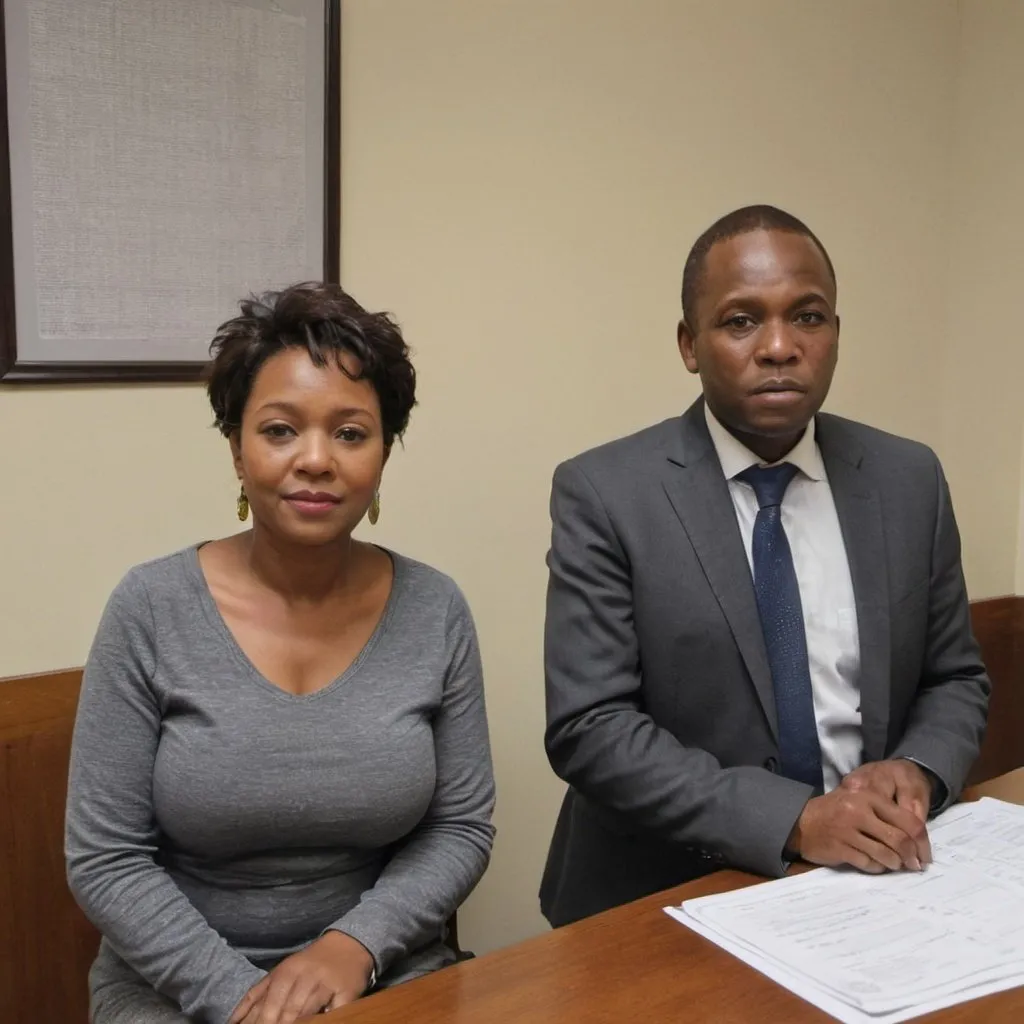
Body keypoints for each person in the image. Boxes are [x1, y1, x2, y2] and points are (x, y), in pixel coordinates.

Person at [539, 205, 990, 926]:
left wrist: (918, 769)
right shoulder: (606, 492)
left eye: (807, 318)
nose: (779, 346)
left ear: (837, 335)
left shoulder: (908, 479)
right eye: (741, 321)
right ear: (690, 344)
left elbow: (955, 677)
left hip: (879, 885)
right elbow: (592, 727)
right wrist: (795, 819)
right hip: (667, 894)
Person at [66, 283, 496, 1024]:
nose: (317, 460)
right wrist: (244, 1001)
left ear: (385, 452)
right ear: (236, 448)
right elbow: (105, 859)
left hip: (382, 971)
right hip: (175, 990)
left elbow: (460, 827)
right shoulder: (149, 609)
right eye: (280, 430)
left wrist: (352, 947)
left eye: (352, 433)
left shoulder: (436, 609)